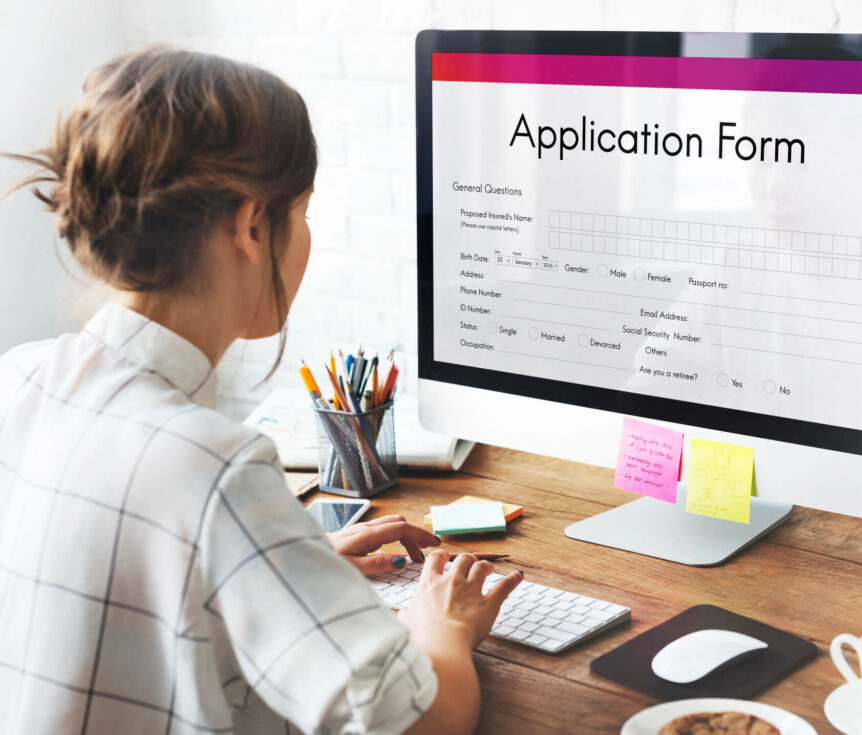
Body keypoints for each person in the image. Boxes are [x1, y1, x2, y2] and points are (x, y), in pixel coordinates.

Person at [0, 47, 521, 735]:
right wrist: (440, 625)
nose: (303, 237)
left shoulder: (18, 377)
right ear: (250, 226)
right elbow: (423, 720)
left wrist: (280, 564)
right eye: (300, 213)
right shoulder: (216, 466)